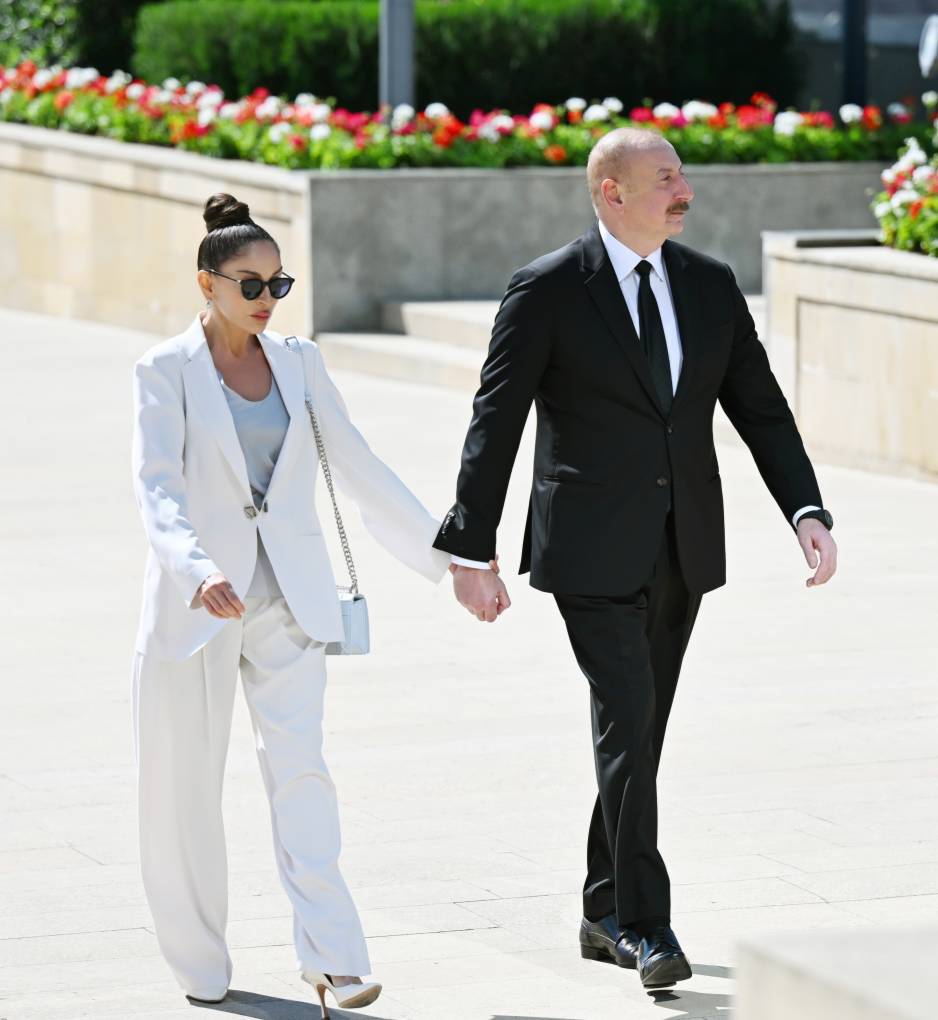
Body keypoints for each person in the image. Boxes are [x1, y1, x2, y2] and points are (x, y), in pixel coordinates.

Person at [433, 128, 837, 991]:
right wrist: (471, 547)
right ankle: (648, 928)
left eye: (682, 175)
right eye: (663, 179)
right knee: (627, 715)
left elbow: (761, 408)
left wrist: (804, 508)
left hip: (682, 544)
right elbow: (495, 418)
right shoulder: (547, 289)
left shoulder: (710, 285)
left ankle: (600, 905)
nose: (683, 191)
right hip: (587, 546)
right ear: (610, 193)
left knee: (637, 733)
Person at [130, 192, 449, 1013]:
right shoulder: (165, 369)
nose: (268, 297)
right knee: (183, 789)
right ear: (206, 283)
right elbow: (157, 489)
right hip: (198, 608)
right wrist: (194, 568)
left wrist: (450, 561)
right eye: (250, 284)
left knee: (302, 773)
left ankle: (335, 961)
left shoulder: (300, 363)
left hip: (291, 601)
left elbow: (359, 464)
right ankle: (199, 962)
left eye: (279, 282)